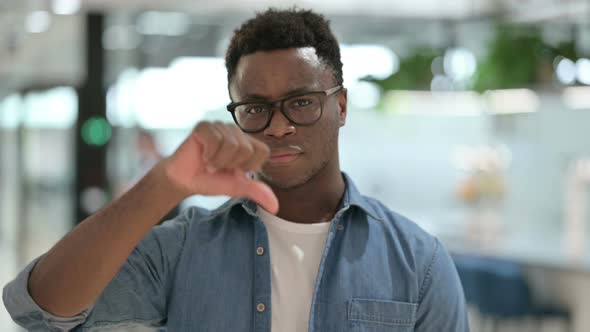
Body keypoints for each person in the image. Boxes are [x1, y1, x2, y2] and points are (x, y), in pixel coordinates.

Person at [3, 8, 468, 332]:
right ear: (236, 115)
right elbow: (41, 310)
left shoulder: (417, 261)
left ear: (340, 105)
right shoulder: (187, 247)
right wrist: (162, 185)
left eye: (302, 102)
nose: (280, 126)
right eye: (256, 108)